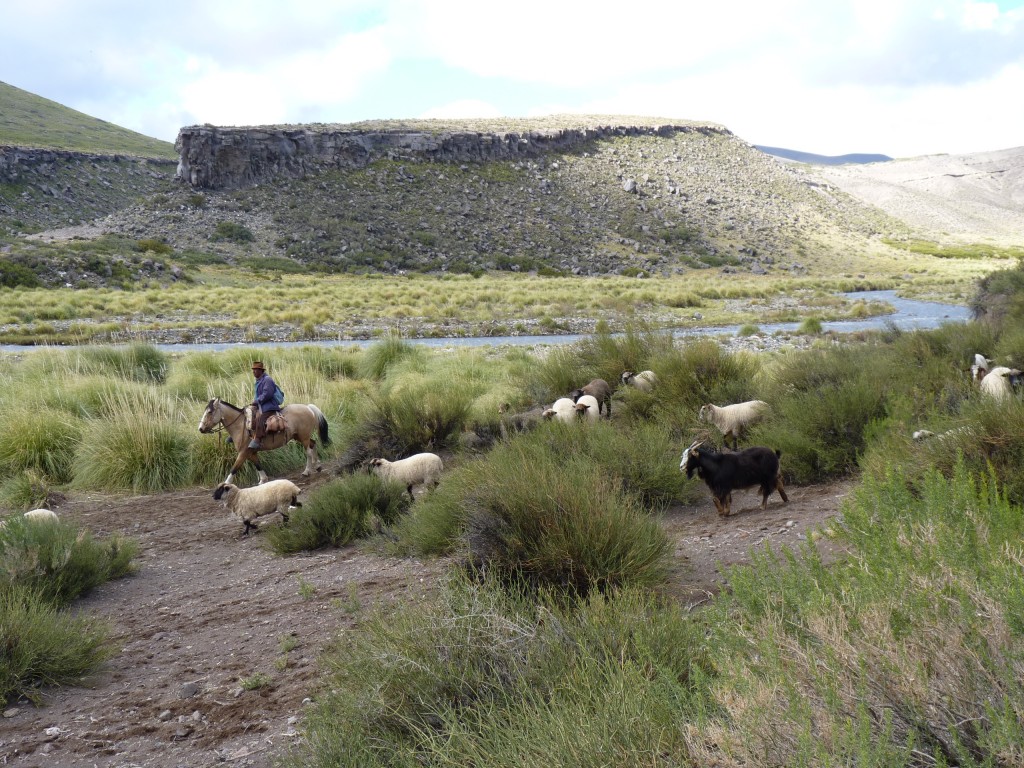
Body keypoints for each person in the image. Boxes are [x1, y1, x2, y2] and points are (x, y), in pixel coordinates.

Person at [248, 361, 282, 449]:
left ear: (260, 371)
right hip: (261, 405)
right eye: (253, 370)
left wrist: (257, 401)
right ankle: (242, 434)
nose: (253, 371)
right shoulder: (258, 381)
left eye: (255, 370)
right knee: (247, 413)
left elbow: (268, 394)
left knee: (261, 419)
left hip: (270, 406)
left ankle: (258, 440)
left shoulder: (267, 380)